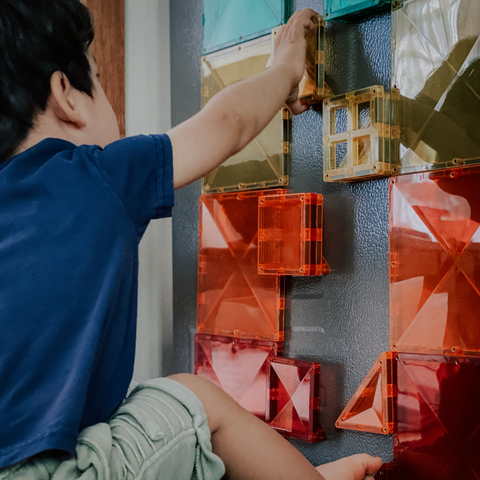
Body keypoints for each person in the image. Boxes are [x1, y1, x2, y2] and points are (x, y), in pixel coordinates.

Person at [0, 1, 382, 479]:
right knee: (195, 400)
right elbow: (228, 125)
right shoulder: (92, 174)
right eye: (98, 79)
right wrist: (285, 71)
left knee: (162, 437)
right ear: (67, 95)